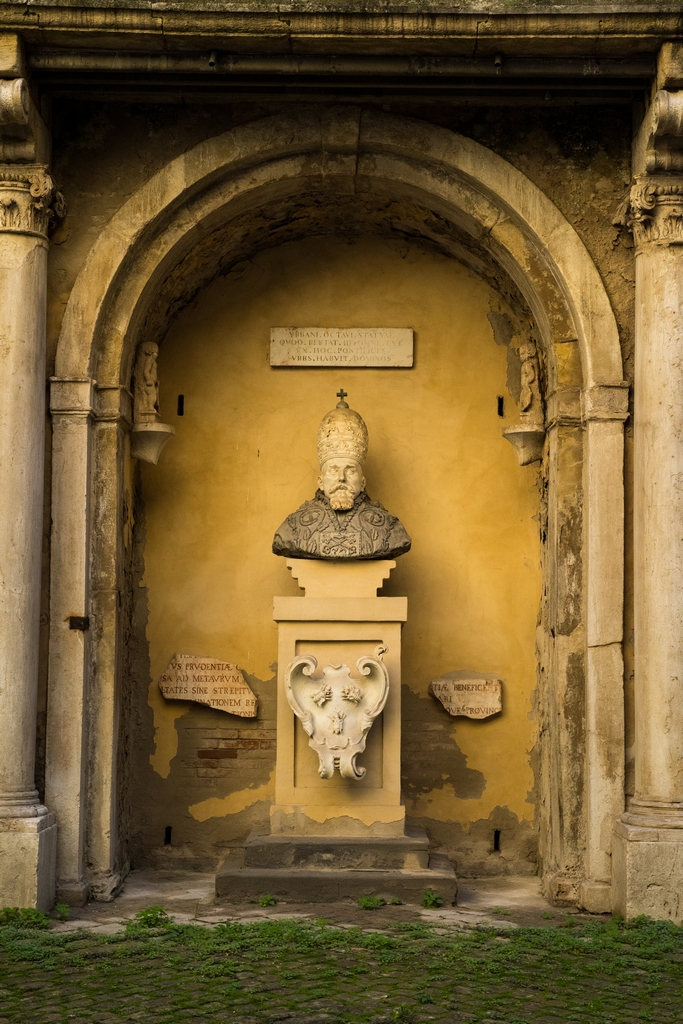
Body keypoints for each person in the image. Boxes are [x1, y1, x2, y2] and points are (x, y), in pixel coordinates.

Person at [272, 392, 411, 560]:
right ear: (321, 481)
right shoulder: (293, 527)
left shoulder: (389, 528)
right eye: (333, 470)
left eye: (350, 470)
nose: (341, 478)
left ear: (363, 481)